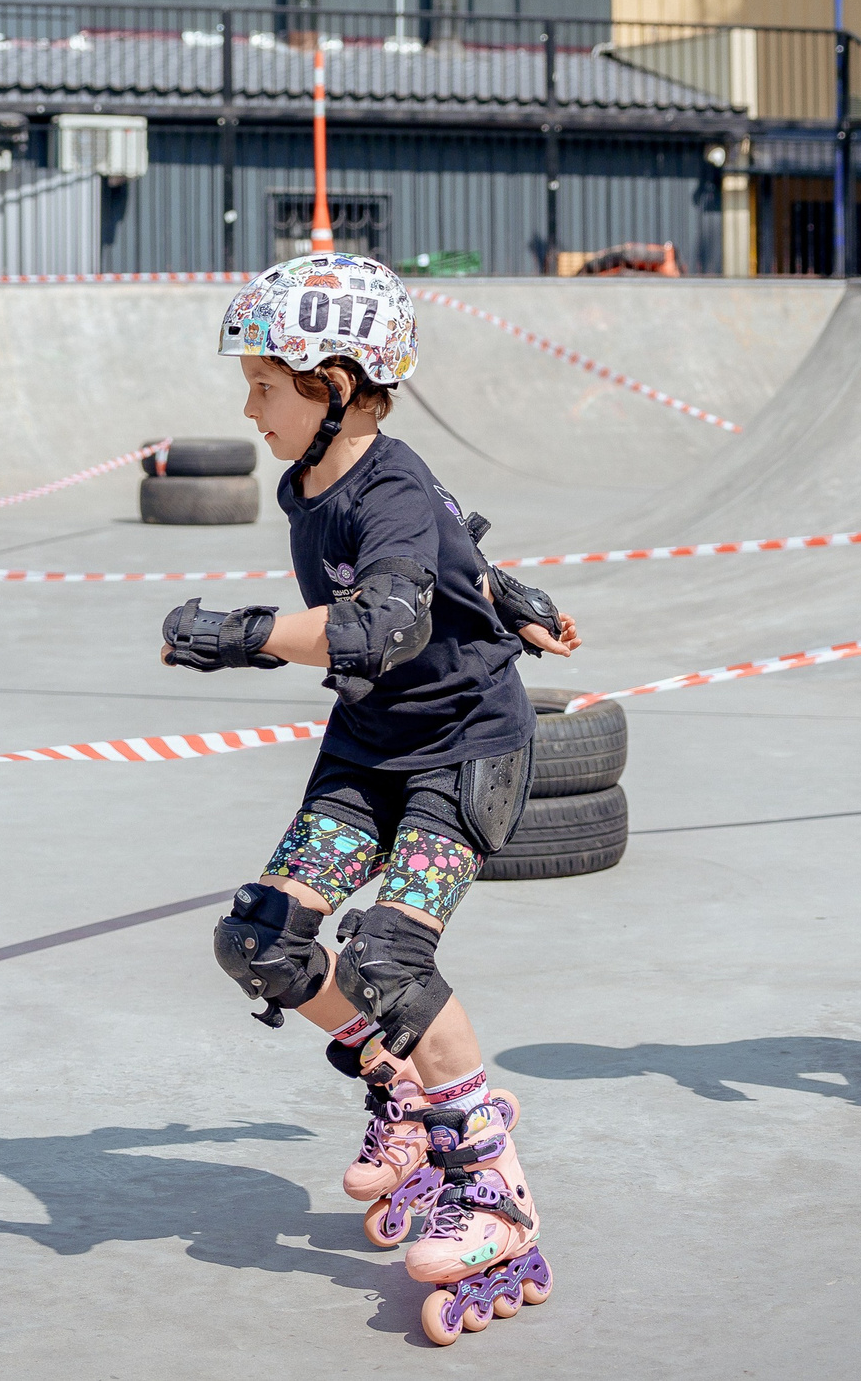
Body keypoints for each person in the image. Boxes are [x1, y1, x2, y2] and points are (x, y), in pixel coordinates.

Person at [159, 253, 577, 1344]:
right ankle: (397, 1080)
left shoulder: (377, 477)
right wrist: (504, 591)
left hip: (466, 747)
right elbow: (443, 541)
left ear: (336, 382)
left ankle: (491, 1186)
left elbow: (382, 619)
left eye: (264, 386)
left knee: (390, 956)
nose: (247, 408)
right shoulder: (319, 477)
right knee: (263, 935)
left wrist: (247, 634)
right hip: (368, 745)